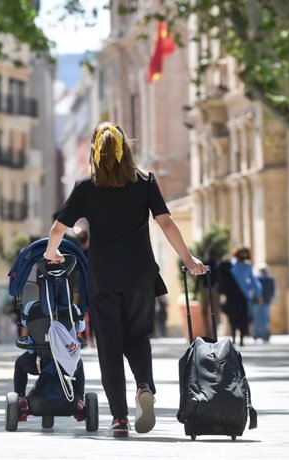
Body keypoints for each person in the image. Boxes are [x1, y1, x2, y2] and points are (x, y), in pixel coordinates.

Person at [42, 121, 206, 438]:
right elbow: (167, 223)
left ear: (94, 152)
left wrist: (52, 253)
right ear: (126, 151)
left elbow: (58, 229)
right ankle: (144, 386)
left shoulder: (86, 187)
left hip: (103, 276)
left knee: (110, 347)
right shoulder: (144, 182)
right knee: (139, 336)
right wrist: (189, 259)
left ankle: (119, 418)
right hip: (140, 274)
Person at [218, 247, 261, 347]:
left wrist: (258, 292)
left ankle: (241, 339)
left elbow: (253, 280)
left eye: (245, 254)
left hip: (244, 295)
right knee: (232, 317)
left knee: (243, 317)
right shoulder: (231, 264)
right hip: (232, 294)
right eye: (241, 254)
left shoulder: (248, 266)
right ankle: (233, 338)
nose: (243, 256)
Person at [254, 264, 275, 343]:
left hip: (257, 301)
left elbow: (254, 288)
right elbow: (272, 290)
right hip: (266, 301)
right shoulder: (270, 278)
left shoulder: (256, 277)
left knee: (258, 318)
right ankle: (265, 336)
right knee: (266, 319)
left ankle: (257, 335)